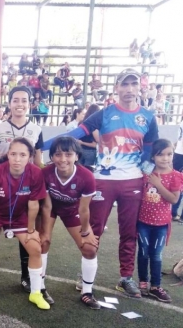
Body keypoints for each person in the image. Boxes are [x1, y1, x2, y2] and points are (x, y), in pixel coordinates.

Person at [46, 68, 158, 297]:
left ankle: (125, 278)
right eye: (124, 84)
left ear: (140, 87)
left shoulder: (148, 117)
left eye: (133, 84)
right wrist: (42, 143)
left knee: (129, 232)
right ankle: (86, 275)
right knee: (93, 229)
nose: (128, 89)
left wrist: (148, 176)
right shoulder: (105, 113)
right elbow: (78, 131)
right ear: (116, 87)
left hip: (133, 182)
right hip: (104, 181)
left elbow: (149, 152)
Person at [0, 86, 44, 294]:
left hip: (25, 188)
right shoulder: (0, 127)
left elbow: (38, 161)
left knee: (26, 230)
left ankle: (26, 277)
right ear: (9, 103)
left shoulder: (37, 130)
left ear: (30, 103)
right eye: (15, 100)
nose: (19, 104)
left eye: (24, 100)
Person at [0, 139, 48, 311]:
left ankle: (35, 293)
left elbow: (34, 204)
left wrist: (30, 230)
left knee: (35, 248)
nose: (17, 159)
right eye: (13, 154)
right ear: (7, 155)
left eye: (23, 155)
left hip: (19, 214)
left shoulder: (35, 173)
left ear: (30, 156)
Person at [40, 137, 100, 309]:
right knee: (42, 242)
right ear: (51, 156)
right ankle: (40, 287)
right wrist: (44, 231)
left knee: (89, 248)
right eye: (58, 154)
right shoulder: (45, 173)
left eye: (68, 154)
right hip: (50, 207)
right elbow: (47, 204)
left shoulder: (86, 176)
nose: (63, 159)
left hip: (73, 210)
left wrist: (86, 231)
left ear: (77, 156)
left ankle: (87, 292)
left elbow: (84, 209)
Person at [136, 139, 180, 303]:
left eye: (169, 154)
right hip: (143, 222)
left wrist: (158, 185)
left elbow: (174, 200)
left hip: (161, 224)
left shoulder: (176, 176)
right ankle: (142, 283)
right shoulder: (147, 170)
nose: (165, 158)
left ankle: (155, 286)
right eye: (160, 154)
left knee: (156, 255)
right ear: (153, 156)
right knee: (143, 252)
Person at [77, 104, 100, 169]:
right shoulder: (93, 125)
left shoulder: (81, 123)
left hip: (80, 150)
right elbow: (97, 140)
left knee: (79, 170)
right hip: (90, 151)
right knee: (88, 171)